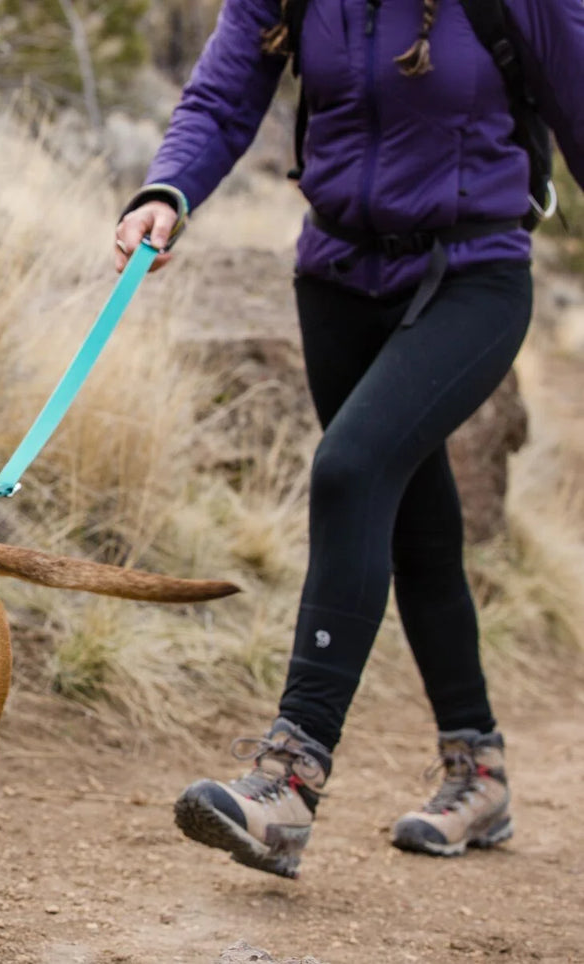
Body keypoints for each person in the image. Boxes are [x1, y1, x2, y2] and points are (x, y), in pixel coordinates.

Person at [114, 0, 584, 878]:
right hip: (333, 274)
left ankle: (288, 782)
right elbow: (222, 94)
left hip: (472, 275)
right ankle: (476, 772)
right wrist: (166, 188)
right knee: (412, 518)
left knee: (350, 469)